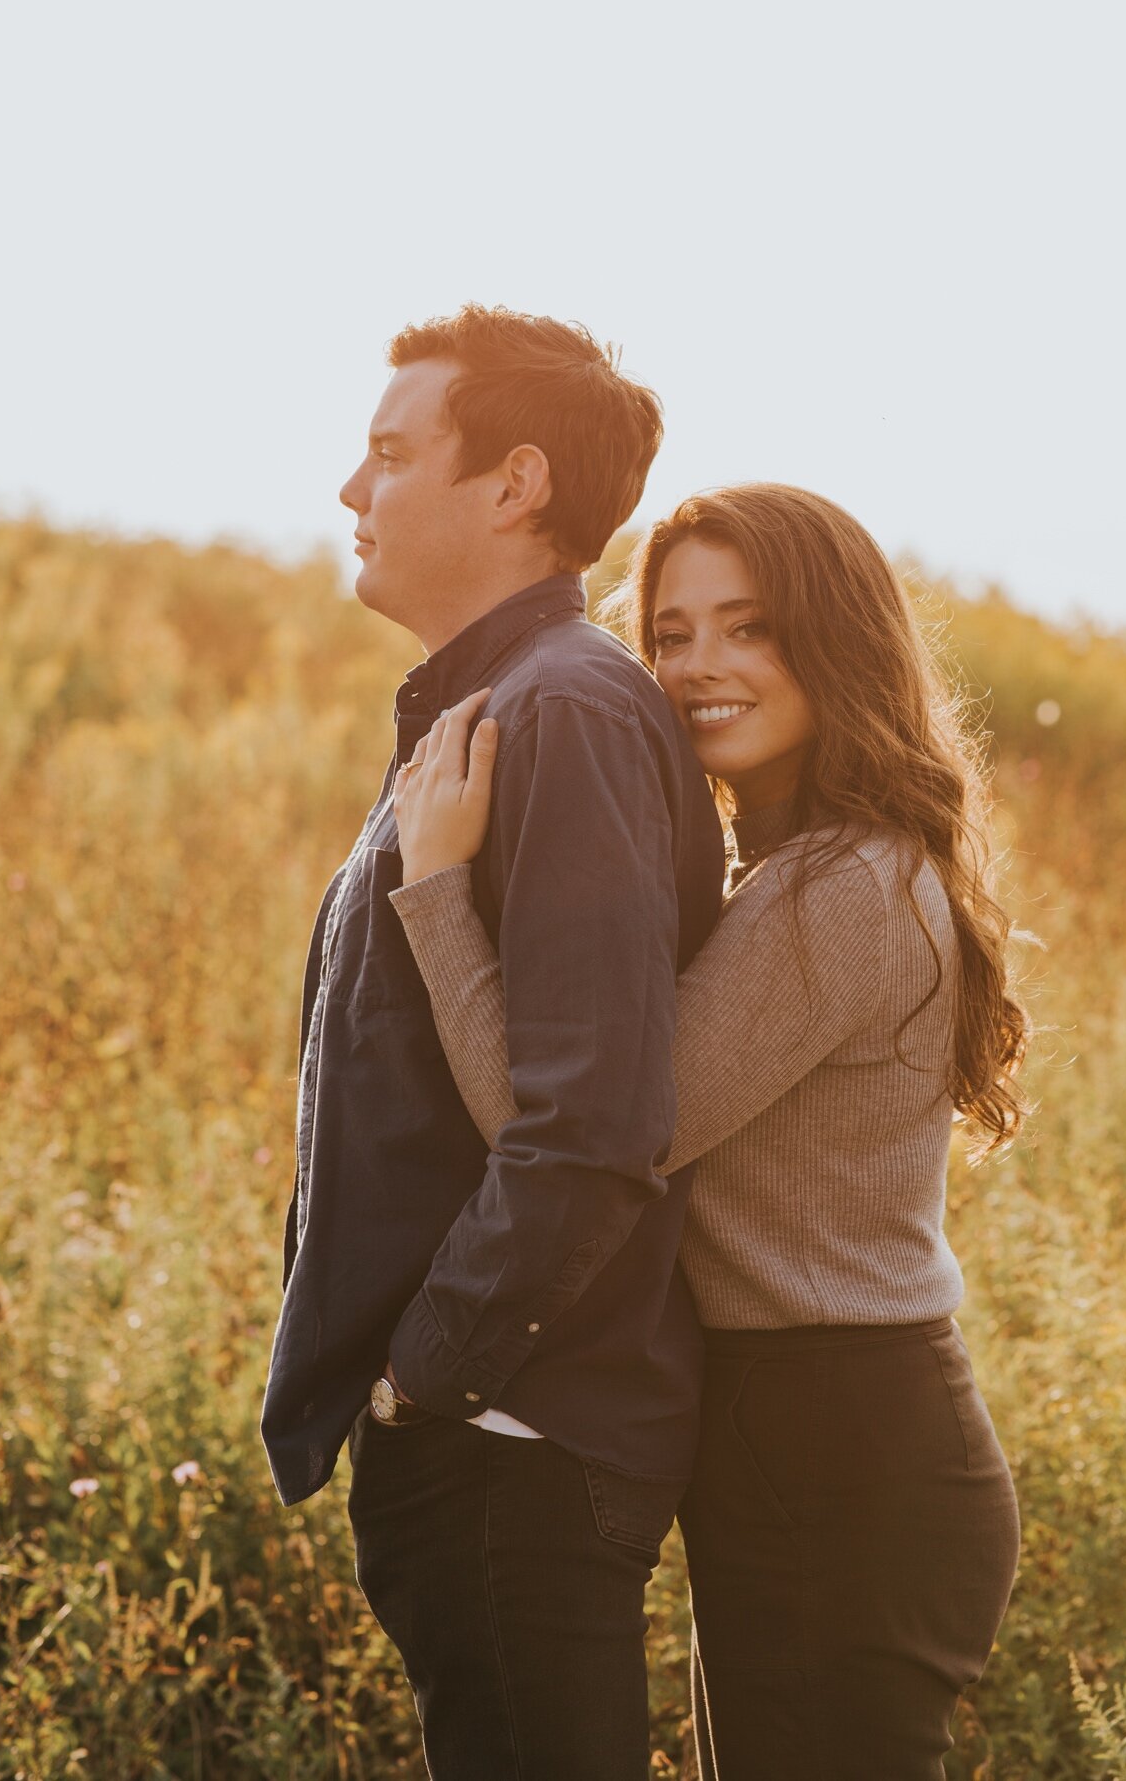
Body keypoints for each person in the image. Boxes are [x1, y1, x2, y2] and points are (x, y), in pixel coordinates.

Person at [389, 481, 1027, 1781]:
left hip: (841, 1441)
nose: (698, 667)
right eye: (672, 633)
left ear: (836, 640)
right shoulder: (793, 866)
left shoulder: (844, 884)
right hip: (795, 1431)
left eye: (749, 626)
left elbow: (571, 1132)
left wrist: (439, 889)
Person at [260, 306, 726, 1781]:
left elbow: (592, 1119)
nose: (353, 490)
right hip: (485, 1439)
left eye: (391, 453)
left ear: (514, 484)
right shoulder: (490, 710)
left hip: (510, 1443)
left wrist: (429, 1378)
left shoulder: (566, 713)